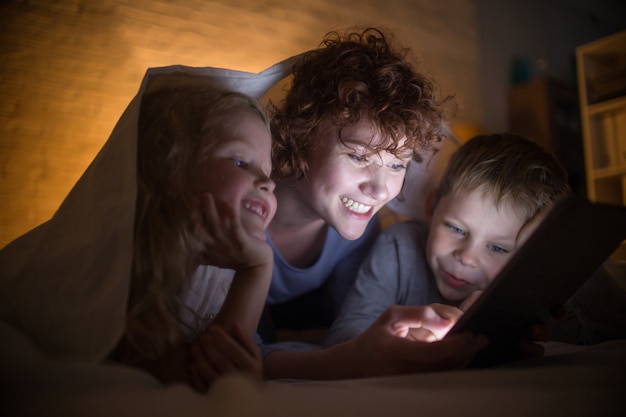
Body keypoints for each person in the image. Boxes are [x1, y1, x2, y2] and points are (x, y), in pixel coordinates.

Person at [0, 70, 277, 393]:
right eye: (241, 162)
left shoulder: (209, 273)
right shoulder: (120, 265)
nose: (268, 182)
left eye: (268, 171)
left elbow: (221, 372)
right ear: (169, 169)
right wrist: (258, 268)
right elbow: (201, 389)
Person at [259, 27, 488, 379]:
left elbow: (352, 329)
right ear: (300, 137)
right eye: (359, 156)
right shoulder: (240, 212)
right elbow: (218, 348)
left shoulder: (358, 231)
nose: (381, 190)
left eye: (397, 165)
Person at [325, 133, 571, 349]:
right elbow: (341, 336)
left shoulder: (533, 281)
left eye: (497, 248)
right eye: (455, 228)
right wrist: (402, 341)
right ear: (431, 207)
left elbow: (603, 325)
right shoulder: (400, 247)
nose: (466, 257)